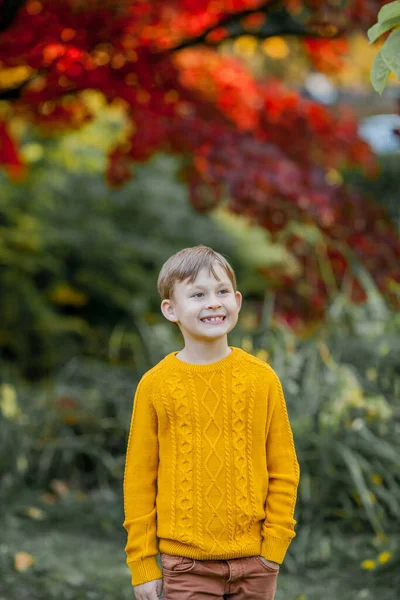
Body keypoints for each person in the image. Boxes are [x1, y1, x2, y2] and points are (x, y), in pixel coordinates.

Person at [123, 245, 300, 600]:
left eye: (221, 292)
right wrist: (143, 564)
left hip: (256, 564)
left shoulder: (261, 378)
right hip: (187, 565)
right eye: (198, 294)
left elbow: (284, 467)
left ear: (236, 299)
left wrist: (273, 549)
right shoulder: (156, 385)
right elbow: (140, 478)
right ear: (170, 309)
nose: (214, 302)